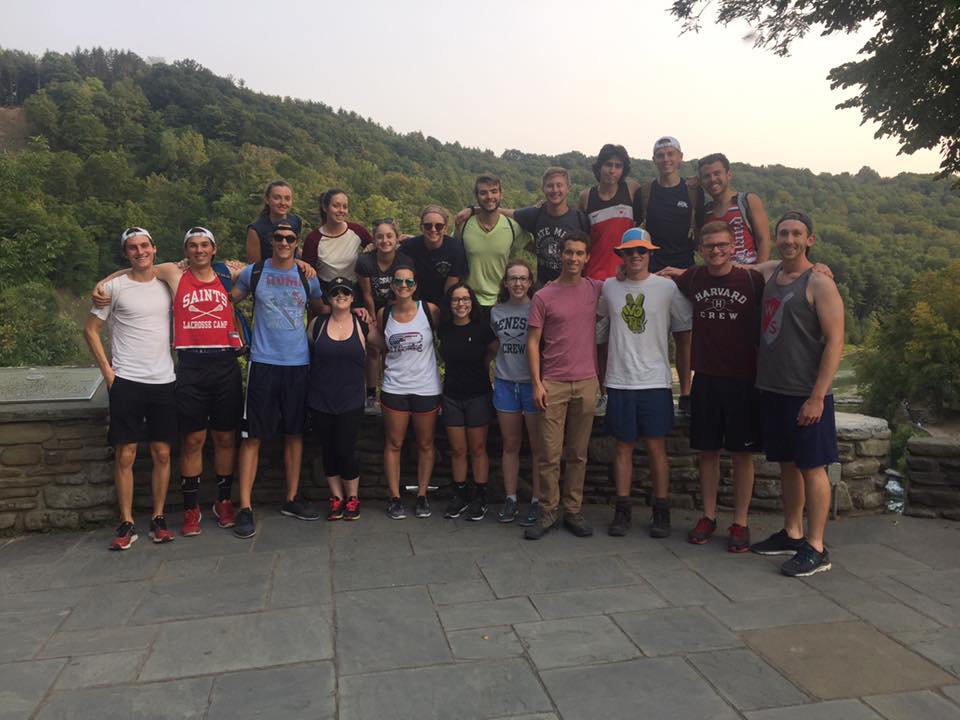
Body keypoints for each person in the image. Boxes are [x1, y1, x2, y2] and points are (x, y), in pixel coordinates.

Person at [749, 211, 844, 577]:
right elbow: (737, 267)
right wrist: (679, 273)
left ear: (810, 240)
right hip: (772, 388)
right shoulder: (772, 271)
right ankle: (792, 532)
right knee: (787, 464)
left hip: (805, 393)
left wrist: (818, 396)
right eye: (783, 233)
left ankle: (817, 547)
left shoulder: (819, 282)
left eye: (796, 234)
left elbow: (836, 341)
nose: (789, 240)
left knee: (812, 468)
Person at [660, 221, 764, 551]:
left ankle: (740, 521)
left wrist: (817, 264)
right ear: (700, 251)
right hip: (705, 377)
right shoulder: (694, 277)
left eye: (722, 245)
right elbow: (667, 275)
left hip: (744, 378)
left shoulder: (751, 279)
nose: (716, 251)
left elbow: (783, 270)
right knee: (708, 451)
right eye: (709, 247)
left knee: (742, 454)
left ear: (733, 247)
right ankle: (708, 515)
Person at [231, 222, 326, 539]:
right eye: (279, 237)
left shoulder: (306, 276)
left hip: (298, 362)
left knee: (295, 433)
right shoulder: (254, 273)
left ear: (297, 243)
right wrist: (237, 335)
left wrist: (357, 314)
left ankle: (292, 497)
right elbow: (228, 302)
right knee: (252, 436)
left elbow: (321, 310)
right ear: (270, 240)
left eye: (290, 238)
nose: (284, 242)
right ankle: (244, 507)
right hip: (263, 362)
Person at [84, 227, 177, 550]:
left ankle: (159, 517)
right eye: (133, 248)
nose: (140, 252)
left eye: (145, 246)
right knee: (126, 454)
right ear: (126, 253)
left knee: (162, 452)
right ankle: (126, 522)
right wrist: (108, 373)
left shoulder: (166, 281)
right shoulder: (113, 288)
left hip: (164, 378)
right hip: (127, 380)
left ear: (154, 248)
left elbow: (201, 262)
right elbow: (90, 330)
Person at [598, 228, 692, 538]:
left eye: (641, 250)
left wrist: (687, 380)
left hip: (654, 380)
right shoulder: (610, 287)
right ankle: (622, 509)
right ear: (620, 255)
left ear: (651, 253)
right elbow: (598, 327)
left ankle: (661, 510)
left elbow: (684, 329)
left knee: (656, 448)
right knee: (622, 447)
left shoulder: (666, 288)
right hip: (620, 379)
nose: (635, 256)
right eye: (629, 251)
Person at [525, 231, 603, 540]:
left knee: (578, 453)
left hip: (586, 381)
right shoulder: (544, 295)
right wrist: (537, 383)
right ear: (561, 254)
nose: (573, 258)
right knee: (549, 453)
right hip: (553, 382)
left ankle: (572, 510)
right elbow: (532, 342)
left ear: (587, 258)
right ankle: (547, 511)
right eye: (568, 252)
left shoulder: (595, 289)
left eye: (579, 253)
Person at [307, 277, 383, 521]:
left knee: (344, 447)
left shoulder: (362, 326)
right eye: (335, 292)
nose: (340, 296)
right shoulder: (317, 324)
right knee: (328, 449)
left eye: (345, 292)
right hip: (320, 397)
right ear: (328, 298)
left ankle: (352, 497)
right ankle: (336, 497)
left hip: (351, 398)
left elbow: (384, 348)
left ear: (352, 298)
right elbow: (304, 353)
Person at [638, 136, 702, 414]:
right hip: (652, 271)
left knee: (684, 335)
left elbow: (704, 227)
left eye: (670, 154)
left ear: (680, 158)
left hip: (684, 270)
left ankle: (686, 393)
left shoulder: (693, 192)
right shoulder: (644, 192)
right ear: (653, 160)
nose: (665, 159)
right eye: (660, 155)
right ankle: (654, 388)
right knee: (651, 335)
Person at [378, 264, 442, 520]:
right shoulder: (385, 313)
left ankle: (422, 495)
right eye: (398, 282)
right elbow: (375, 344)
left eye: (408, 282)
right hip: (395, 385)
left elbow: (445, 336)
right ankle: (394, 497)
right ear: (392, 285)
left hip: (426, 385)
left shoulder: (429, 310)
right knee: (394, 443)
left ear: (415, 286)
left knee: (426, 444)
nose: (403, 286)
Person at [459, 167, 590, 287]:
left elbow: (589, 254)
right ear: (543, 188)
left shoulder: (580, 219)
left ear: (569, 188)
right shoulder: (534, 214)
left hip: (573, 287)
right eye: (550, 186)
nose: (555, 190)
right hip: (544, 288)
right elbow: (502, 211)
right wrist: (473, 210)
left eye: (559, 185)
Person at [438, 283, 498, 521]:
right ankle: (460, 493)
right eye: (455, 300)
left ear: (472, 302)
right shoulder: (444, 329)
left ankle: (480, 495)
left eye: (465, 299)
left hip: (478, 395)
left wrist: (483, 366)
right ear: (449, 304)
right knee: (458, 450)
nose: (461, 304)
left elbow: (495, 350)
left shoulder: (482, 328)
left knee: (478, 448)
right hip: (452, 394)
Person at [491, 260, 543, 525]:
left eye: (523, 278)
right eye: (513, 278)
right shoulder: (496, 312)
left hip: (531, 384)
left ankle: (536, 500)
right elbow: (491, 347)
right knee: (510, 444)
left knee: (537, 446)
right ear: (505, 282)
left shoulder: (538, 307)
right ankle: (510, 498)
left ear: (530, 281)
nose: (518, 283)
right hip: (505, 382)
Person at [356, 218, 412, 414]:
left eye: (389, 236)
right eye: (380, 236)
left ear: (397, 238)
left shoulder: (404, 261)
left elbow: (402, 291)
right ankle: (371, 394)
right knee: (373, 349)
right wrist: (372, 318)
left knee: (391, 348)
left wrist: (386, 318)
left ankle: (390, 391)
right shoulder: (365, 261)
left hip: (394, 307)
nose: (385, 240)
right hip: (370, 308)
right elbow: (367, 294)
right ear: (373, 239)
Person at [458, 173, 526, 310]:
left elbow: (539, 249)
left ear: (501, 194)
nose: (489, 197)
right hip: (470, 302)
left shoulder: (513, 227)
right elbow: (446, 248)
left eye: (494, 191)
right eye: (483, 193)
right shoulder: (463, 226)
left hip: (501, 301)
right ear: (476, 196)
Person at [577, 144, 640, 281]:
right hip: (593, 275)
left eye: (618, 166)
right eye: (608, 164)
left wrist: (693, 186)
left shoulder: (631, 190)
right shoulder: (586, 197)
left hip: (626, 274)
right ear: (599, 167)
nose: (612, 170)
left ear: (623, 170)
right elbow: (579, 237)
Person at [697, 153, 771, 264]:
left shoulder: (747, 201)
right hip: (718, 276)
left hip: (749, 274)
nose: (712, 179)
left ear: (729, 175)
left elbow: (764, 240)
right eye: (707, 176)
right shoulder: (706, 212)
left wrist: (759, 273)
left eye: (717, 173)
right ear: (701, 181)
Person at [302, 188, 372, 286]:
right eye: (336, 206)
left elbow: (378, 248)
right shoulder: (313, 239)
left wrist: (372, 246)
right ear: (325, 208)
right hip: (326, 290)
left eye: (345, 207)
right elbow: (308, 272)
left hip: (353, 289)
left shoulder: (357, 231)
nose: (341, 210)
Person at [401, 205, 468, 305]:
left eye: (439, 226)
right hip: (414, 302)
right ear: (421, 227)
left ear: (445, 228)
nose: (433, 229)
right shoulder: (409, 247)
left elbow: (450, 289)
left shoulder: (455, 249)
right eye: (428, 226)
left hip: (444, 302)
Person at [246, 180, 303, 263]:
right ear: (267, 200)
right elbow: (254, 265)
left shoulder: (296, 221)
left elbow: (294, 248)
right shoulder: (256, 230)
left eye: (287, 199)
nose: (283, 203)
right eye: (277, 198)